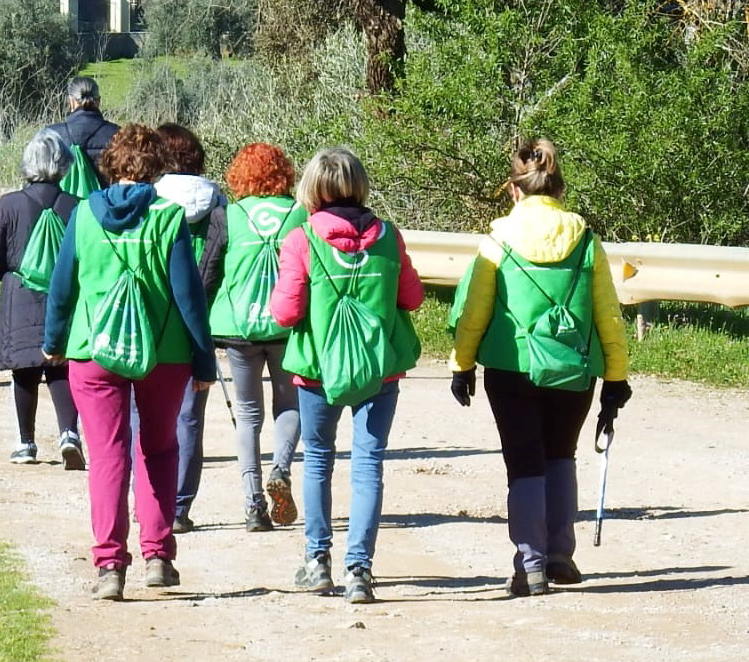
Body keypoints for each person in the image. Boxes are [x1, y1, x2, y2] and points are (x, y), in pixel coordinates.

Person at [449, 138, 632, 597]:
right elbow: (607, 314)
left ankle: (529, 567)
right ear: (558, 189)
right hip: (574, 368)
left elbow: (475, 310)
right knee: (560, 455)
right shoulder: (586, 241)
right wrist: (616, 377)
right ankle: (559, 554)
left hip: (512, 369)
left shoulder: (497, 241)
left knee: (524, 462)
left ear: (514, 190)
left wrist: (462, 363)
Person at [40, 123, 215, 601]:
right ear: (156, 167)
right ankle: (158, 556)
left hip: (93, 351)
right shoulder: (168, 217)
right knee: (158, 449)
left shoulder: (83, 216)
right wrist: (204, 362)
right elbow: (188, 297)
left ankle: (110, 566)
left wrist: (53, 341)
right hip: (166, 353)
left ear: (109, 164)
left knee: (107, 455)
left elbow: (62, 286)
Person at [273, 146, 423, 606]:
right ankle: (360, 570)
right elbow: (413, 298)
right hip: (381, 368)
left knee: (318, 459)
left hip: (319, 368)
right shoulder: (388, 237)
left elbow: (285, 312)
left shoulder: (301, 239)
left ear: (313, 187)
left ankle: (317, 562)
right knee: (368, 463)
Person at [209, 143, 308, 533]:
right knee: (290, 404)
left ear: (239, 177)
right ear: (284, 174)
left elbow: (210, 270)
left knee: (248, 417)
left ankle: (253, 505)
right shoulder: (299, 214)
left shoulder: (229, 216)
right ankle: (280, 467)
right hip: (287, 326)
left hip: (239, 330)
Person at [0, 132, 82, 467]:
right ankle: (69, 433)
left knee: (24, 370)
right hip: (64, 297)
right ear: (63, 165)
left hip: (20, 294)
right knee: (61, 368)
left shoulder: (10, 203)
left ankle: (26, 443)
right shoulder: (75, 206)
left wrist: (12, 278)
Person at [154, 122, 228, 533]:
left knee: (143, 412)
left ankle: (147, 498)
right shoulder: (219, 205)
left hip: (157, 313)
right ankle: (179, 507)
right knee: (189, 417)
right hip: (202, 315)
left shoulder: (152, 203)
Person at [41, 76, 119, 181]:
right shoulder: (118, 134)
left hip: (62, 197)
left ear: (70, 101)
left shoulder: (51, 134)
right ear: (98, 101)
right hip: (106, 196)